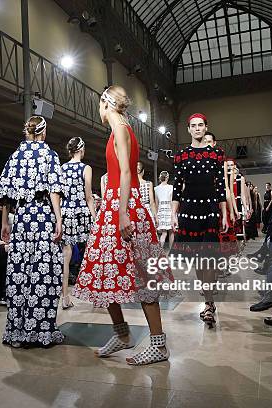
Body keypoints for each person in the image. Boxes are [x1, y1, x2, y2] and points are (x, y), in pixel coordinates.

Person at [74, 85, 173, 365]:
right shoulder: (122, 128)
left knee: (142, 277)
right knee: (104, 275)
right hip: (114, 205)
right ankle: (122, 334)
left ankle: (158, 345)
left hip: (122, 206)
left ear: (105, 103)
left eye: (98, 104)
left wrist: (122, 213)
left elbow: (128, 172)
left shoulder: (120, 128)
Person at [0, 115, 66, 348]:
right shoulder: (49, 155)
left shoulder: (15, 156)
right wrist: (59, 219)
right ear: (43, 133)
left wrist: (5, 221)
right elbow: (54, 190)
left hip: (22, 219)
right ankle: (41, 331)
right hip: (43, 216)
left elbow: (5, 193)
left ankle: (18, 330)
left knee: (19, 274)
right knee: (43, 274)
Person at [171, 113, 228, 326]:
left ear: (206, 128)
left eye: (200, 125)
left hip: (211, 209)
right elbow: (177, 188)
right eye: (193, 126)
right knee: (197, 259)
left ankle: (209, 303)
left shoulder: (216, 154)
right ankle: (207, 298)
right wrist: (174, 214)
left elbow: (221, 186)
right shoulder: (181, 156)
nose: (197, 129)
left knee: (209, 258)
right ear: (188, 129)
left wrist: (224, 213)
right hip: (188, 210)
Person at [59, 137, 96, 310]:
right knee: (92, 253)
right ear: (81, 150)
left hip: (66, 212)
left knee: (65, 256)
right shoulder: (86, 168)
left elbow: (59, 194)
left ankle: (65, 297)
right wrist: (95, 217)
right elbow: (89, 196)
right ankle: (97, 294)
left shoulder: (62, 168)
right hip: (82, 212)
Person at [154, 171, 174, 250]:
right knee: (171, 232)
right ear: (167, 178)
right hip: (169, 210)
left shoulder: (156, 188)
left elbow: (156, 203)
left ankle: (159, 251)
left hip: (161, 211)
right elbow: (171, 201)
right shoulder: (171, 187)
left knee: (164, 233)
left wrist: (156, 215)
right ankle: (171, 252)